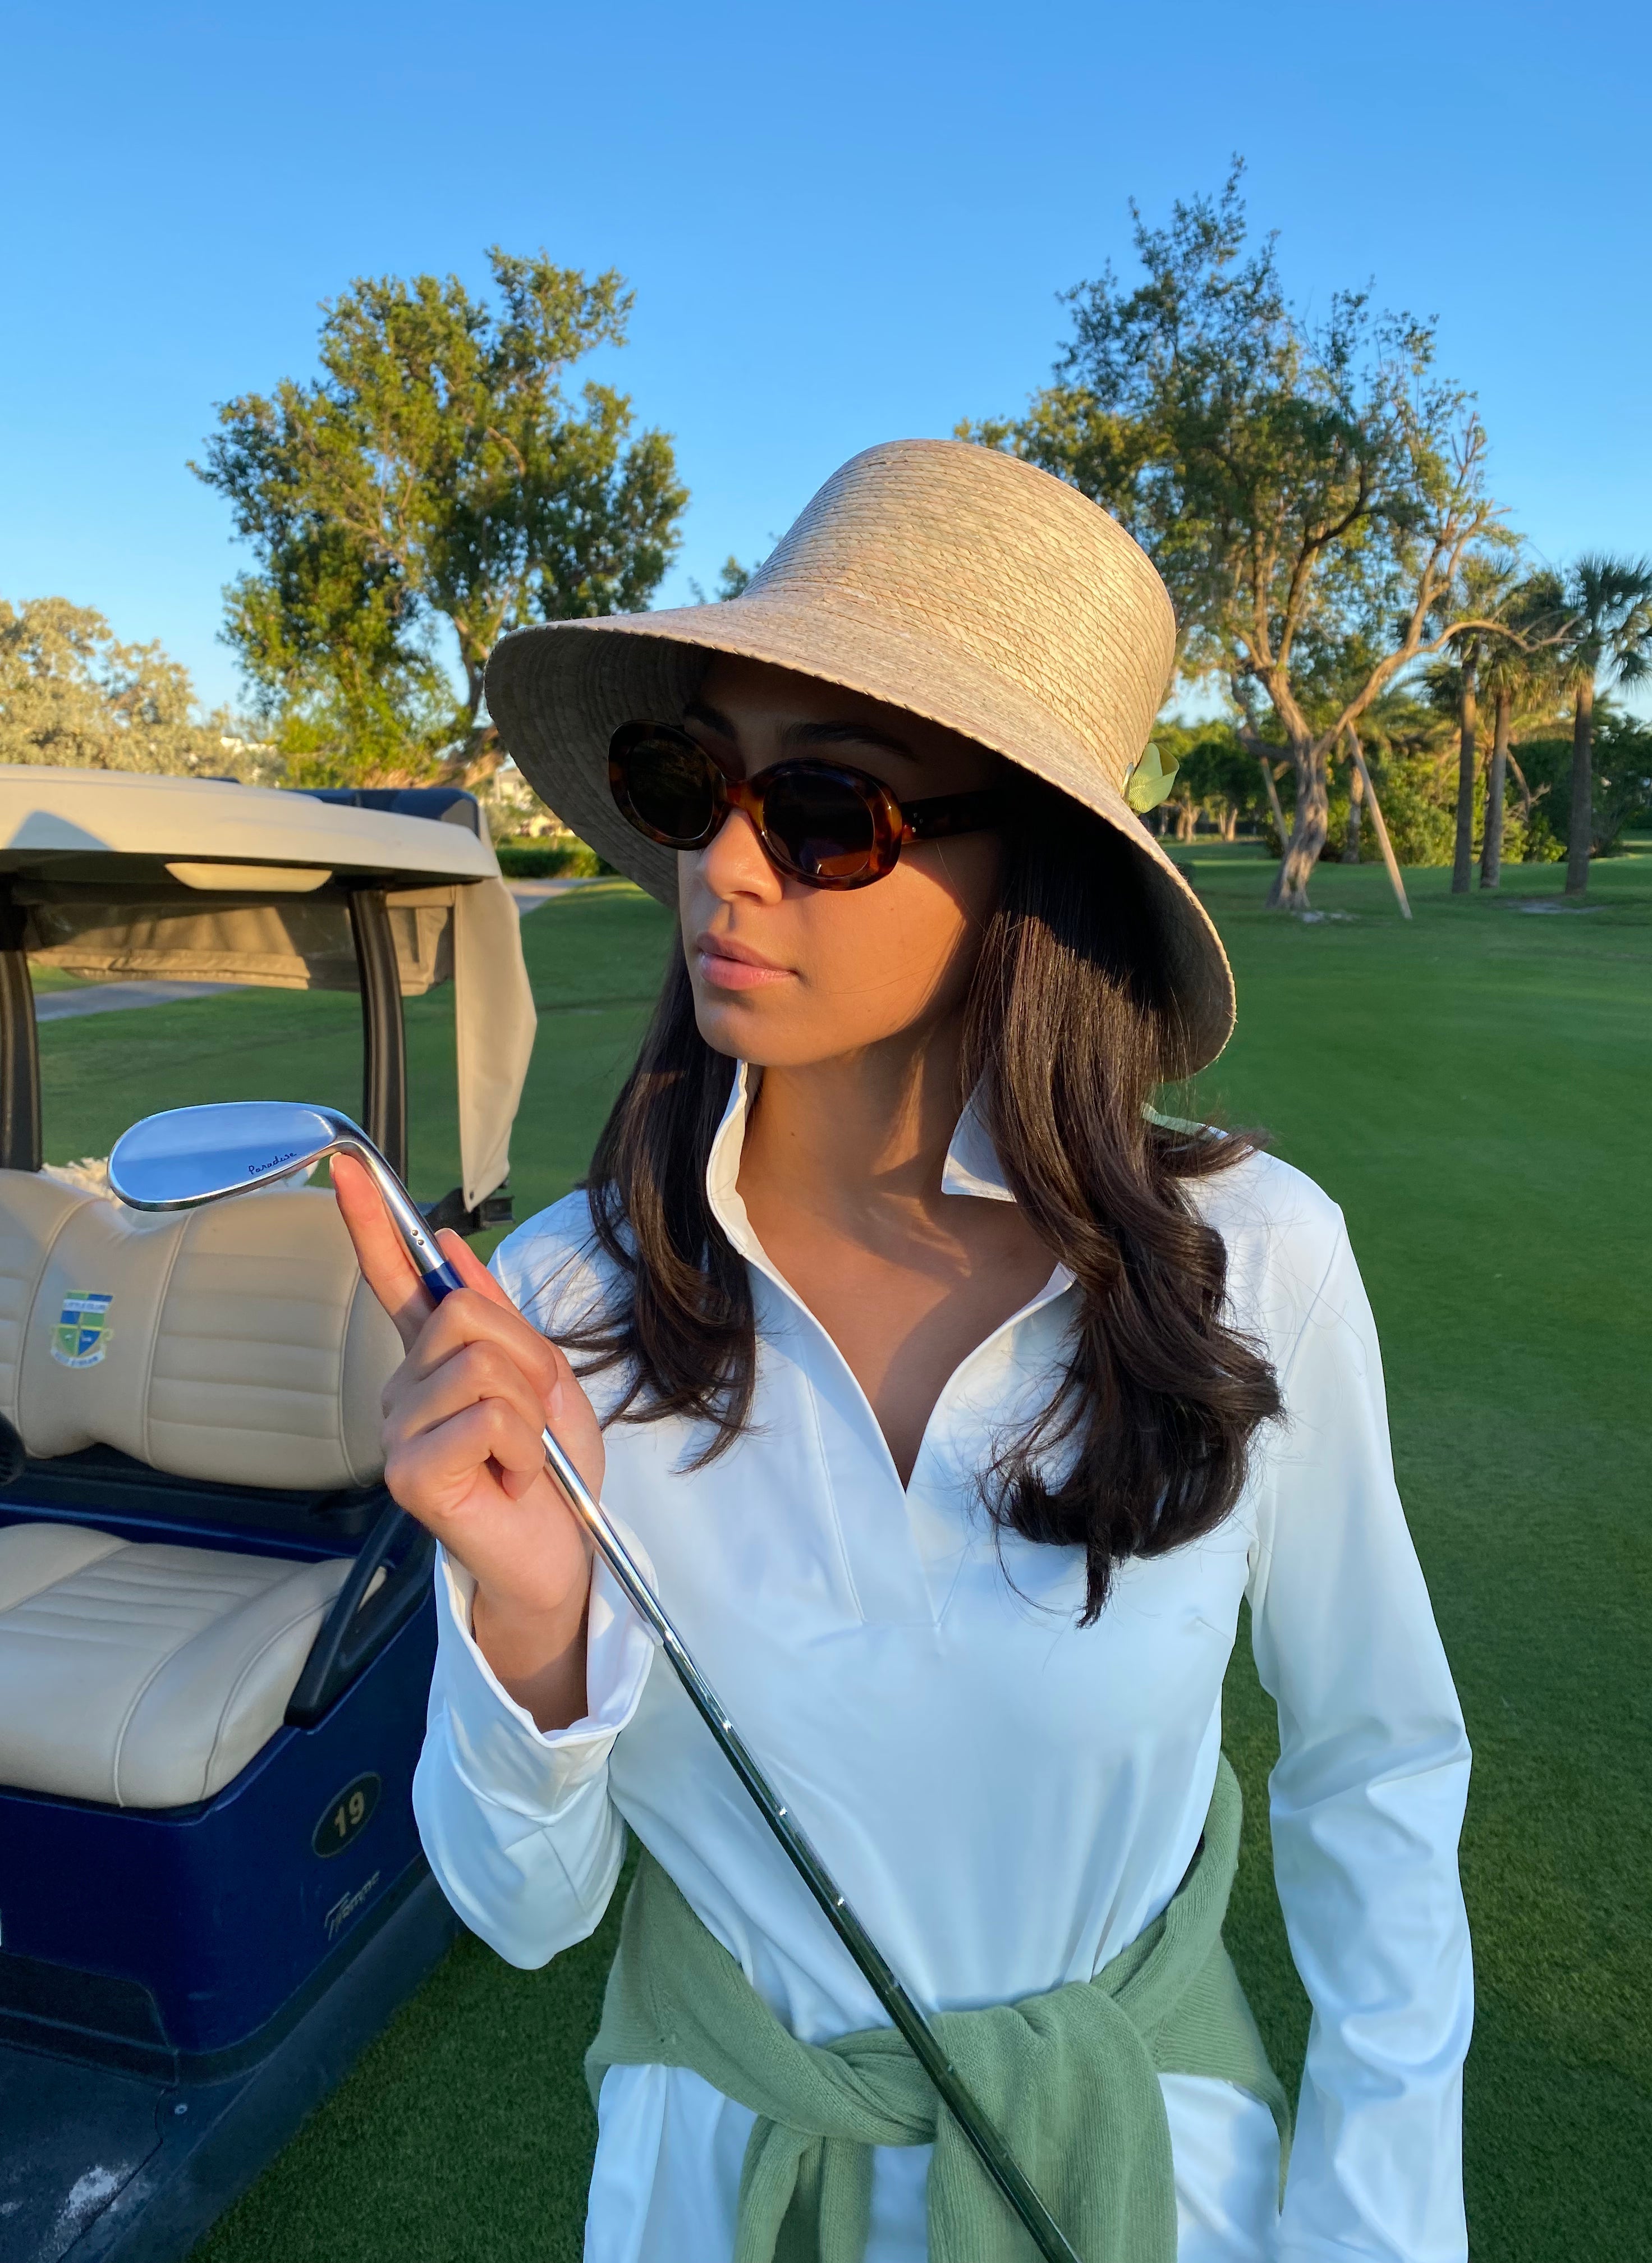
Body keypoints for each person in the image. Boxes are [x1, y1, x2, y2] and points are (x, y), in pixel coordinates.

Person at [333, 440, 1472, 2263]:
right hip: (723, 2203)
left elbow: (1380, 1776)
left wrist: (1383, 2228)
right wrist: (534, 1629)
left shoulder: (1259, 1268)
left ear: (1030, 869)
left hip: (1144, 2188)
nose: (720, 860)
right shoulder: (560, 1307)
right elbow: (524, 1914)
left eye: (826, 812)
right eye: (686, 779)